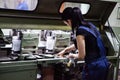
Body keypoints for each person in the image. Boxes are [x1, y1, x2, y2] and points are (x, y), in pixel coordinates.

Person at [57, 7, 109, 80]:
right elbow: (82, 44)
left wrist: (72, 55)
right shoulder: (90, 25)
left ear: (69, 21)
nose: (67, 25)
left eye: (66, 23)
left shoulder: (80, 31)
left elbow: (81, 56)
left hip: (94, 66)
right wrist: (65, 50)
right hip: (103, 63)